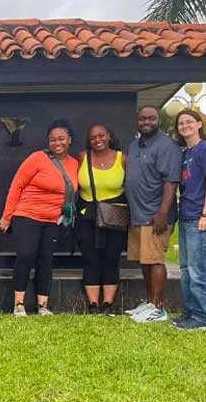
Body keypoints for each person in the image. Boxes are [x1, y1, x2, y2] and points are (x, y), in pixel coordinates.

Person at [0, 120, 79, 317]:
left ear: (70, 140)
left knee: (46, 260)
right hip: (27, 215)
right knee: (26, 255)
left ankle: (42, 305)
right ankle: (19, 305)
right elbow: (16, 185)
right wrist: (7, 216)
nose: (57, 143)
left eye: (61, 139)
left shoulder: (75, 164)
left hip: (53, 219)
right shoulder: (37, 158)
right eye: (52, 139)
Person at [124, 105, 182, 323]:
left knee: (155, 260)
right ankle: (149, 303)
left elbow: (171, 181)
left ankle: (158, 308)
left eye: (151, 118)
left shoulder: (167, 146)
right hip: (138, 215)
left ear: (158, 120)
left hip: (155, 215)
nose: (146, 122)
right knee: (145, 261)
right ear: (137, 121)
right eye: (142, 119)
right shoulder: (136, 144)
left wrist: (163, 213)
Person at [76, 124, 127, 315]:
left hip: (115, 215)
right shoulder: (82, 157)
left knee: (111, 257)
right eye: (93, 137)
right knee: (90, 258)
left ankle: (108, 303)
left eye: (101, 135)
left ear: (109, 136)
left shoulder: (123, 159)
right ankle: (93, 304)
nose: (98, 140)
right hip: (87, 216)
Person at [174, 109, 206, 330]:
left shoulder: (203, 149)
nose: (185, 126)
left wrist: (205, 214)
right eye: (181, 123)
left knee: (197, 270)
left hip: (198, 217)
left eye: (189, 122)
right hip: (185, 216)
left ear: (199, 124)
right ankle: (191, 313)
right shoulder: (186, 153)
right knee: (185, 268)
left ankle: (202, 317)